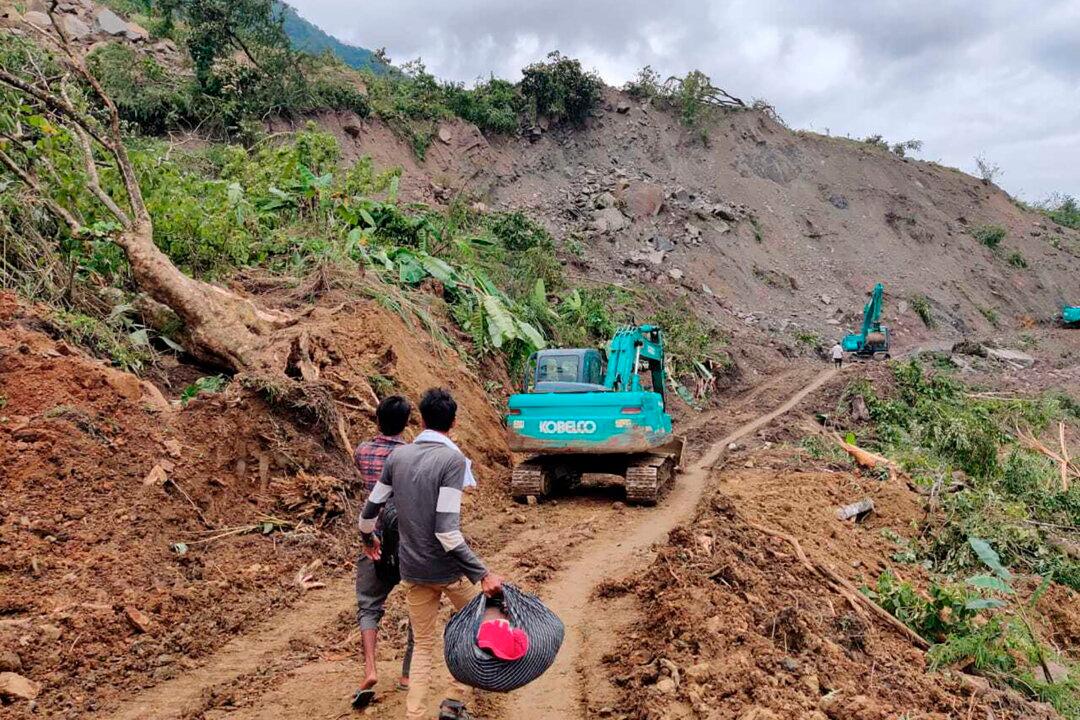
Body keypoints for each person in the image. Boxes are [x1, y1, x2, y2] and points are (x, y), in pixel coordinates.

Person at [359, 388, 503, 720]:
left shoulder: (398, 457)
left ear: (421, 420)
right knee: (479, 625)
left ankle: (415, 714)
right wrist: (483, 573)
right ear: (454, 423)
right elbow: (447, 532)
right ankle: (454, 700)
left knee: (423, 646)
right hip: (448, 571)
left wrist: (368, 539)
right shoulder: (452, 461)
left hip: (413, 571)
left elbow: (368, 513)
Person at [351, 395, 415, 709]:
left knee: (369, 605)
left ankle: (370, 670)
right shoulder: (411, 455)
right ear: (406, 424)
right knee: (419, 603)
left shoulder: (362, 451)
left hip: (373, 539)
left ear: (377, 420)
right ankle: (407, 675)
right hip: (408, 542)